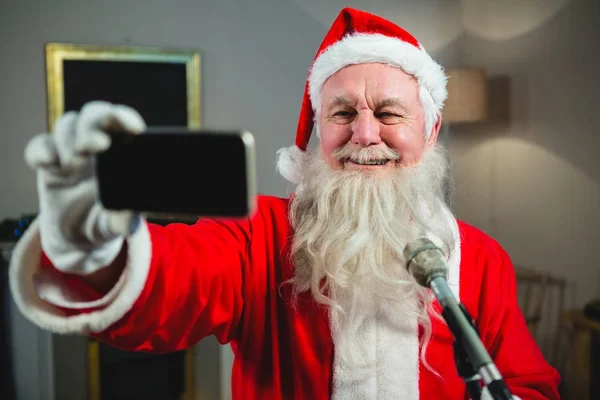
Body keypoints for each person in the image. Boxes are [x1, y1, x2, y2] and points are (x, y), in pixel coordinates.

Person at [9, 7, 559, 400]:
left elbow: (528, 385)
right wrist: (91, 246)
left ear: (430, 129)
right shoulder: (263, 237)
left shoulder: (477, 258)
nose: (364, 134)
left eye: (389, 113)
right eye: (342, 114)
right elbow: (170, 283)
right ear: (316, 134)